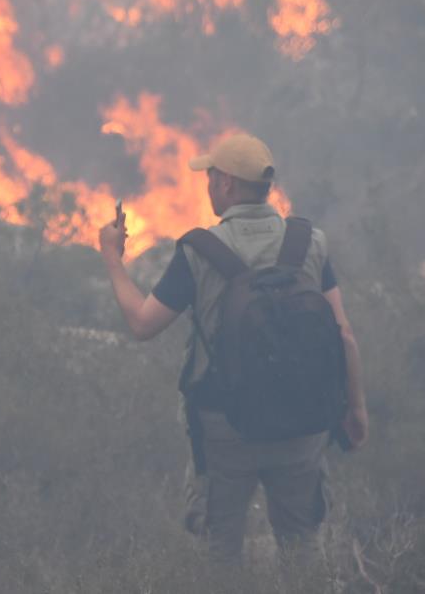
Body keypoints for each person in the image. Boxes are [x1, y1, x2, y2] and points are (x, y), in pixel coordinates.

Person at [98, 132, 368, 569]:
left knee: (217, 551)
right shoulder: (310, 243)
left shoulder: (199, 250)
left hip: (224, 428)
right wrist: (355, 410)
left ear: (225, 184)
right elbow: (345, 335)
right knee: (303, 548)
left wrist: (111, 256)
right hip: (304, 421)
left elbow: (142, 324)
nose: (206, 185)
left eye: (209, 177)